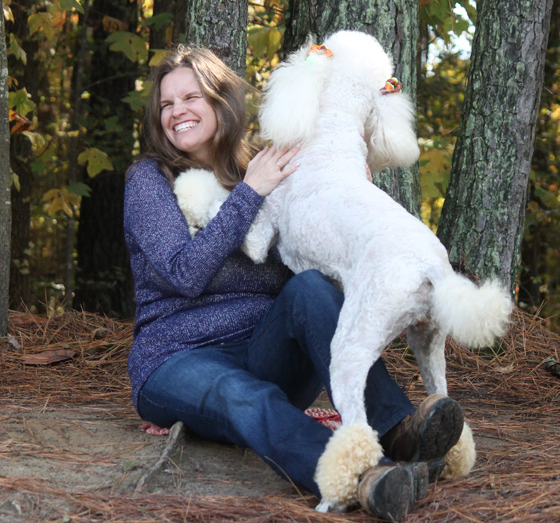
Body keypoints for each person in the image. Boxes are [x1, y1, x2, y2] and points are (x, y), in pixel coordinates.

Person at [124, 44, 464, 520]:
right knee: (242, 395)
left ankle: (400, 429)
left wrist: (342, 192)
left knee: (311, 289)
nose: (177, 111)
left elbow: (306, 260)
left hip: (267, 351)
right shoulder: (150, 180)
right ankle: (365, 478)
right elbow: (184, 273)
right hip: (177, 359)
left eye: (191, 97)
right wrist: (249, 194)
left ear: (221, 102)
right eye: (166, 104)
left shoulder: (270, 167)